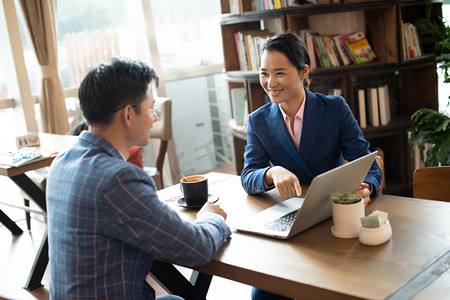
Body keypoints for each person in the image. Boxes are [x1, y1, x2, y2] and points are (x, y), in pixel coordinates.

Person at [46, 57, 232, 299]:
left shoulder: (61, 162)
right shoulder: (118, 179)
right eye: (151, 109)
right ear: (128, 114)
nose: (154, 118)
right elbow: (198, 248)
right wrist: (210, 218)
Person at [240, 32, 382, 300]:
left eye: (279, 73)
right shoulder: (257, 121)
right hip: (290, 224)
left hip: (334, 219)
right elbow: (248, 176)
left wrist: (368, 186)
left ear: (304, 71)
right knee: (262, 296)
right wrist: (271, 172)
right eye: (264, 74)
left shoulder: (335, 108)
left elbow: (368, 163)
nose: (270, 83)